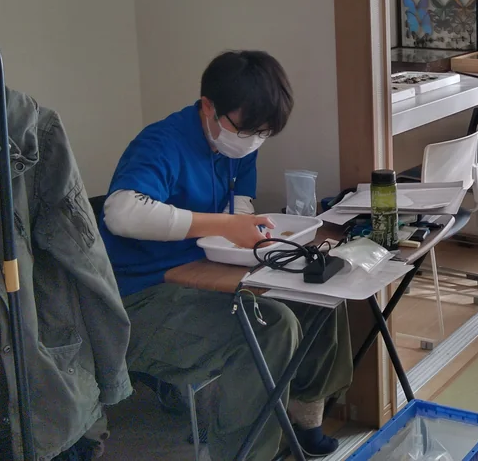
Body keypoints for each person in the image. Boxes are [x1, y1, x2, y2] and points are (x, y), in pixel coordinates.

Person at [98, 51, 351, 460]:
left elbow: (240, 206)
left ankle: (306, 422)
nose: (252, 140)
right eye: (246, 130)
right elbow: (122, 213)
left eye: (263, 133)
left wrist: (248, 232)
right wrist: (224, 225)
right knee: (272, 327)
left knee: (318, 295)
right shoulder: (162, 142)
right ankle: (245, 454)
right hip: (138, 300)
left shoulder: (237, 145)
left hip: (203, 275)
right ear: (207, 107)